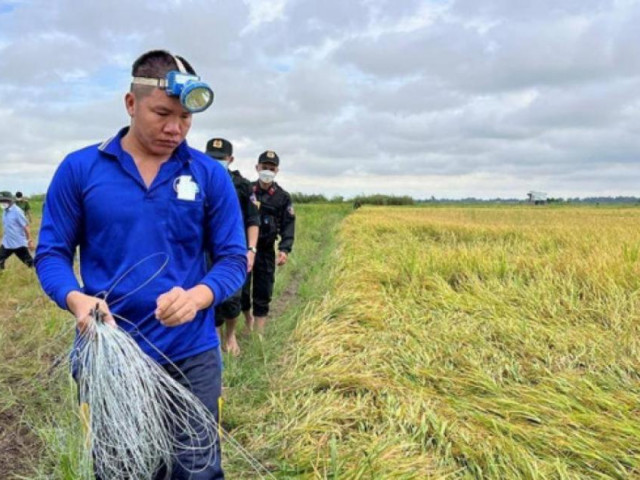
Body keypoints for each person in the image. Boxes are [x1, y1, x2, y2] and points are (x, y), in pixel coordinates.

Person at [35, 50, 245, 480]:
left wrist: (198, 296)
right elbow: (52, 253)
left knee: (198, 470)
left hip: (191, 355)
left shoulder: (209, 175)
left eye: (186, 118)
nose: (175, 128)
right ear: (131, 104)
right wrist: (76, 299)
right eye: (163, 113)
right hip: (111, 357)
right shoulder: (81, 169)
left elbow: (232, 259)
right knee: (121, 468)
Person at [205, 137, 259, 356]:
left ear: (231, 159)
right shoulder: (197, 180)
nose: (217, 162)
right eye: (212, 158)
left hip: (234, 248)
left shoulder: (243, 186)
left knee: (233, 296)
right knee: (209, 293)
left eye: (221, 159)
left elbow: (253, 220)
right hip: (206, 249)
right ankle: (215, 341)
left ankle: (230, 336)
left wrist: (251, 250)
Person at [241, 150, 295, 334]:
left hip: (265, 250)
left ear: (277, 171)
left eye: (272, 169)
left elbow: (288, 225)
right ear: (257, 167)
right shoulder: (247, 191)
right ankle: (247, 319)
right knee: (242, 290)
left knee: (263, 291)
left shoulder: (282, 197)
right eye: (265, 167)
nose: (267, 172)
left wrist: (284, 249)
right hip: (245, 249)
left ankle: (259, 333)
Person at [0, 191, 34, 270]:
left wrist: (30, 240)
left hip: (19, 244)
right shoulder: (5, 211)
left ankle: (37, 275)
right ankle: (2, 274)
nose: (2, 203)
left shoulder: (17, 212)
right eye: (1, 201)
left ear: (10, 200)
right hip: (7, 243)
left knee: (30, 263)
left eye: (4, 201)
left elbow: (26, 226)